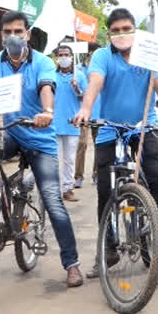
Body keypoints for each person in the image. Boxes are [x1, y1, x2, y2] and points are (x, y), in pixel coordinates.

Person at [0, 11, 83, 287]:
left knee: (53, 202)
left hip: (40, 138)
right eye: (7, 32)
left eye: (18, 32)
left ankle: (71, 263)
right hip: (7, 134)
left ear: (28, 34)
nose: (13, 37)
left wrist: (47, 111)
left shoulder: (43, 62)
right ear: (1, 36)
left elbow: (47, 87)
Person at [72, 7, 158, 279]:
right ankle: (107, 249)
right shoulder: (102, 56)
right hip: (109, 127)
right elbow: (95, 84)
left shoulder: (148, 54)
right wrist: (86, 109)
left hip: (144, 125)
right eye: (116, 30)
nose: (121, 34)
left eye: (126, 29)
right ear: (110, 34)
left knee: (157, 177)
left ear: (135, 30)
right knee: (106, 189)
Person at [53, 44, 87, 201]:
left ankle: (67, 189)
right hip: (54, 124)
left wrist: (77, 89)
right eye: (61, 55)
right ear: (57, 58)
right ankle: (52, 190)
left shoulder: (79, 76)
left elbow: (85, 99)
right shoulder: (52, 76)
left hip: (72, 124)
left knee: (69, 159)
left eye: (66, 54)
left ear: (72, 57)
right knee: (53, 159)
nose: (63, 57)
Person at [74, 41, 102, 188]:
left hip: (99, 113)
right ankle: (78, 177)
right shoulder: (78, 70)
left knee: (99, 145)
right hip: (83, 113)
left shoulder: (102, 70)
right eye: (91, 52)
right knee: (81, 144)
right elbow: (79, 94)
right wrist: (76, 87)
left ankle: (97, 174)